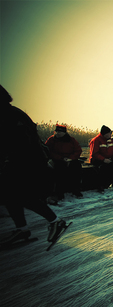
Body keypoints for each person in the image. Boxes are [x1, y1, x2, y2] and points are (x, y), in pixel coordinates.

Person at [0, 85, 67, 246]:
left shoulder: (10, 115)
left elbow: (19, 142)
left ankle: (54, 221)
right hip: (25, 162)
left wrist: (8, 160)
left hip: (25, 163)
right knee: (12, 195)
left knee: (21, 196)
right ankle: (24, 229)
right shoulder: (12, 112)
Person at [45, 124, 83, 198]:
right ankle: (59, 191)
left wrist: (71, 158)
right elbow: (48, 151)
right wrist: (61, 158)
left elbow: (78, 150)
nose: (58, 133)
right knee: (59, 170)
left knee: (77, 167)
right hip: (57, 159)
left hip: (71, 158)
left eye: (60, 132)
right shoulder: (51, 140)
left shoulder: (71, 140)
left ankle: (76, 189)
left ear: (64, 132)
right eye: (57, 131)